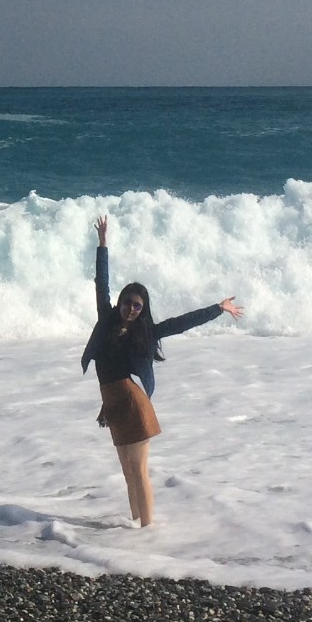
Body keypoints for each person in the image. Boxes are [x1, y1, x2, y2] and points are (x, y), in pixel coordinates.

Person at [80, 215, 242, 527]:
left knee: (139, 472)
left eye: (137, 305)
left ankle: (147, 533)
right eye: (127, 302)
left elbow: (183, 322)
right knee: (127, 473)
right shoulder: (107, 321)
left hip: (133, 404)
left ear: (143, 309)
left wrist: (218, 309)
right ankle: (135, 528)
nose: (130, 308)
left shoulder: (148, 333)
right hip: (112, 404)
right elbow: (102, 284)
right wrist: (102, 245)